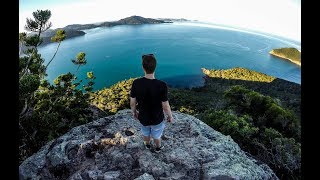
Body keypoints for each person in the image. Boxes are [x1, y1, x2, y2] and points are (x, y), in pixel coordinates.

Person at [130, 54, 174, 153]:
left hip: (143, 117)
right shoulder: (162, 85)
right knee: (157, 135)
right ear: (155, 67)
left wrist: (134, 112)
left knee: (145, 133)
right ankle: (158, 148)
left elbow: (133, 102)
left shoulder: (136, 83)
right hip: (157, 119)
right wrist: (170, 116)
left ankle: (147, 145)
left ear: (143, 67)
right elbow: (165, 106)